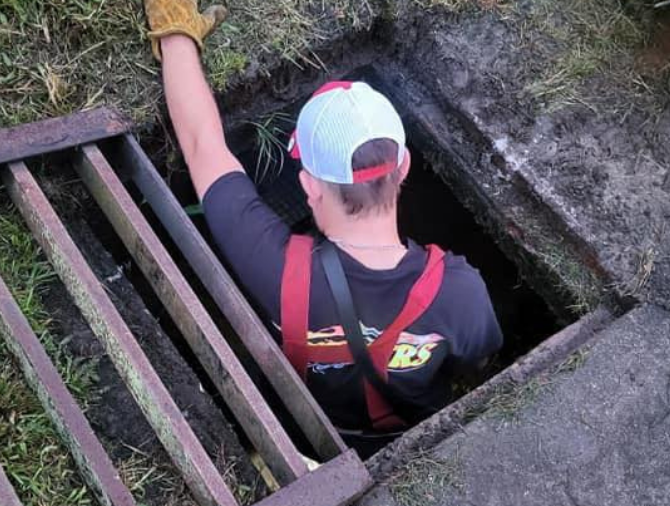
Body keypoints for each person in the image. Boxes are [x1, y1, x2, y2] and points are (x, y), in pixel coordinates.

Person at [144, 0, 503, 455]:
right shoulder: (463, 295)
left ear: (309, 186)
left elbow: (202, 146)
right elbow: (479, 362)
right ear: (405, 165)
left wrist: (176, 34)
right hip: (406, 442)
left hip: (304, 441)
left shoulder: (272, 265)